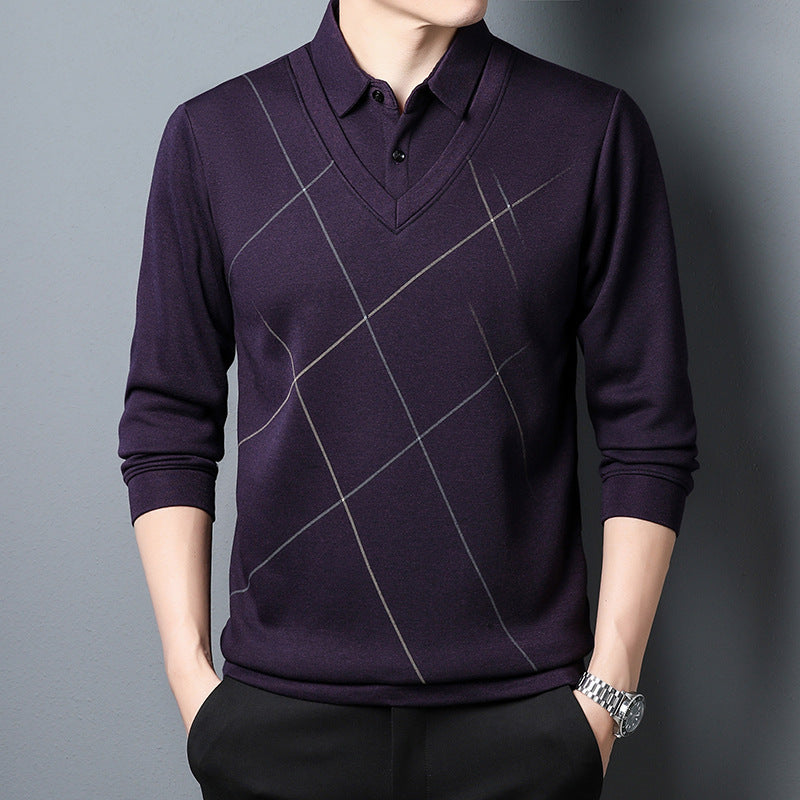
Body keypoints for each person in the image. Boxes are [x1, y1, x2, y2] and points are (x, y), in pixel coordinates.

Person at [117, 0, 699, 797]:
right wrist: (192, 681)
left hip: (525, 726)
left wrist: (605, 695)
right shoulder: (216, 137)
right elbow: (168, 419)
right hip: (278, 726)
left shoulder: (591, 132)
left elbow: (648, 430)